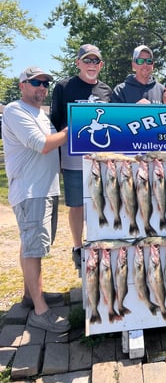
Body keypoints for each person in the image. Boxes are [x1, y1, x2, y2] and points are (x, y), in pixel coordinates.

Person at [2, 66, 70, 333]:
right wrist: (75, 127)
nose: (42, 87)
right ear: (22, 85)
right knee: (33, 249)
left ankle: (30, 295)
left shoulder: (39, 114)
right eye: (35, 83)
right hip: (31, 191)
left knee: (32, 245)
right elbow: (42, 144)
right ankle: (40, 312)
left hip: (46, 189)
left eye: (45, 84)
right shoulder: (15, 111)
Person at [50, 44, 112, 274]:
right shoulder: (63, 86)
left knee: (100, 202)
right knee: (76, 205)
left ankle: (100, 243)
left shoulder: (107, 90)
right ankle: (78, 248)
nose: (91, 65)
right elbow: (55, 122)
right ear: (78, 63)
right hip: (73, 159)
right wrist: (56, 160)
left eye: (96, 61)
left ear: (101, 65)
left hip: (100, 160)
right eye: (87, 60)